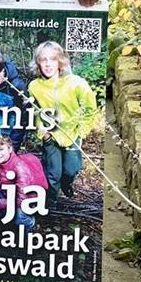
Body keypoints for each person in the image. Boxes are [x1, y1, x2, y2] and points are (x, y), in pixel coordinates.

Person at [27, 41, 100, 203]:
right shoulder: (34, 86)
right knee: (53, 173)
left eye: (52, 59)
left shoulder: (76, 83)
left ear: (60, 61)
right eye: (43, 60)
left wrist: (82, 131)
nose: (48, 64)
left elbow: (90, 108)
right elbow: (35, 112)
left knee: (71, 169)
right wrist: (42, 132)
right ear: (37, 62)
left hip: (72, 134)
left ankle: (67, 185)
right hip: (50, 136)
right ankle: (50, 202)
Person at [0, 132, 47, 230]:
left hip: (26, 199)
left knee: (18, 216)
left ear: (10, 149)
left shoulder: (20, 167)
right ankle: (3, 226)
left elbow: (21, 200)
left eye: (1, 149)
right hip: (7, 192)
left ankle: (30, 223)